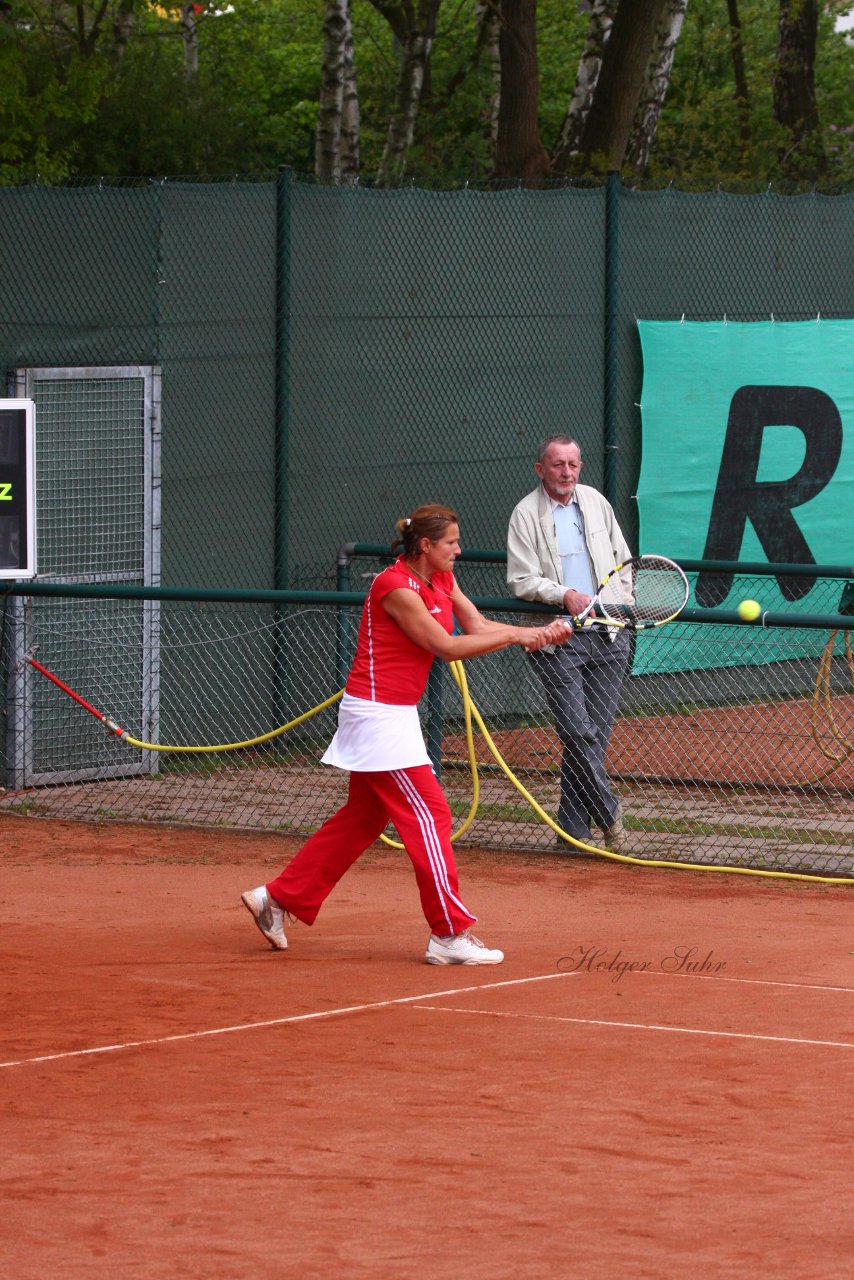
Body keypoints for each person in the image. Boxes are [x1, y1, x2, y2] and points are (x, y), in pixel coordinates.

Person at [242, 503, 571, 965]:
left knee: (364, 818)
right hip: (375, 716)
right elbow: (446, 647)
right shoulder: (394, 586)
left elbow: (476, 626)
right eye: (451, 542)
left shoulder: (443, 580)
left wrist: (536, 631)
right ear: (425, 546)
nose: (459, 549)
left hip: (396, 716)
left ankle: (277, 899)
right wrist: (519, 637)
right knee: (431, 816)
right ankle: (449, 933)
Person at [507, 435, 631, 851]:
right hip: (557, 637)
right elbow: (520, 580)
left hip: (609, 634)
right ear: (540, 468)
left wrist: (620, 610)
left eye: (572, 464)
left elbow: (623, 562)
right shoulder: (525, 514)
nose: (566, 473)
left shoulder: (596, 501)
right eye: (557, 465)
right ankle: (611, 815)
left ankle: (572, 832)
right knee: (578, 734)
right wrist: (564, 595)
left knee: (594, 735)